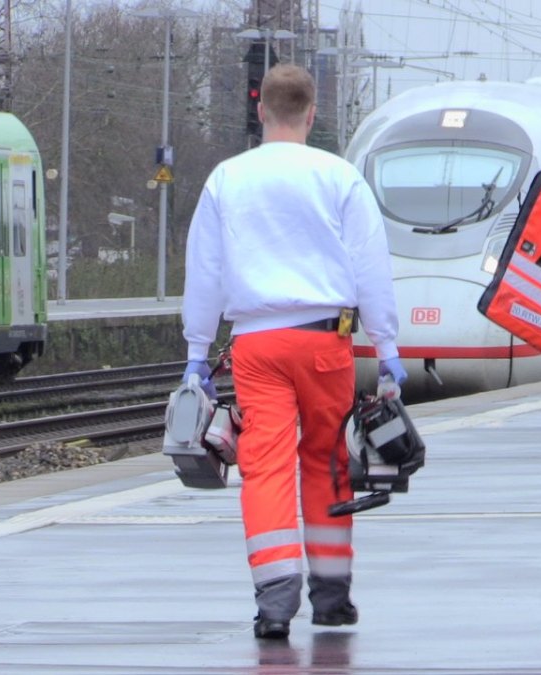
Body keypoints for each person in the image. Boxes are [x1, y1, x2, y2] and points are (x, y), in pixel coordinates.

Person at [179, 65, 405, 641]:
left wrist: (197, 353)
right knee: (327, 459)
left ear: (260, 110)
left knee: (266, 466)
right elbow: (371, 270)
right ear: (311, 114)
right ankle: (330, 596)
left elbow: (204, 273)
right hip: (327, 339)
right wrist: (386, 348)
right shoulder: (339, 176)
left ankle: (275, 600)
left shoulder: (226, 178)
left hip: (256, 344)